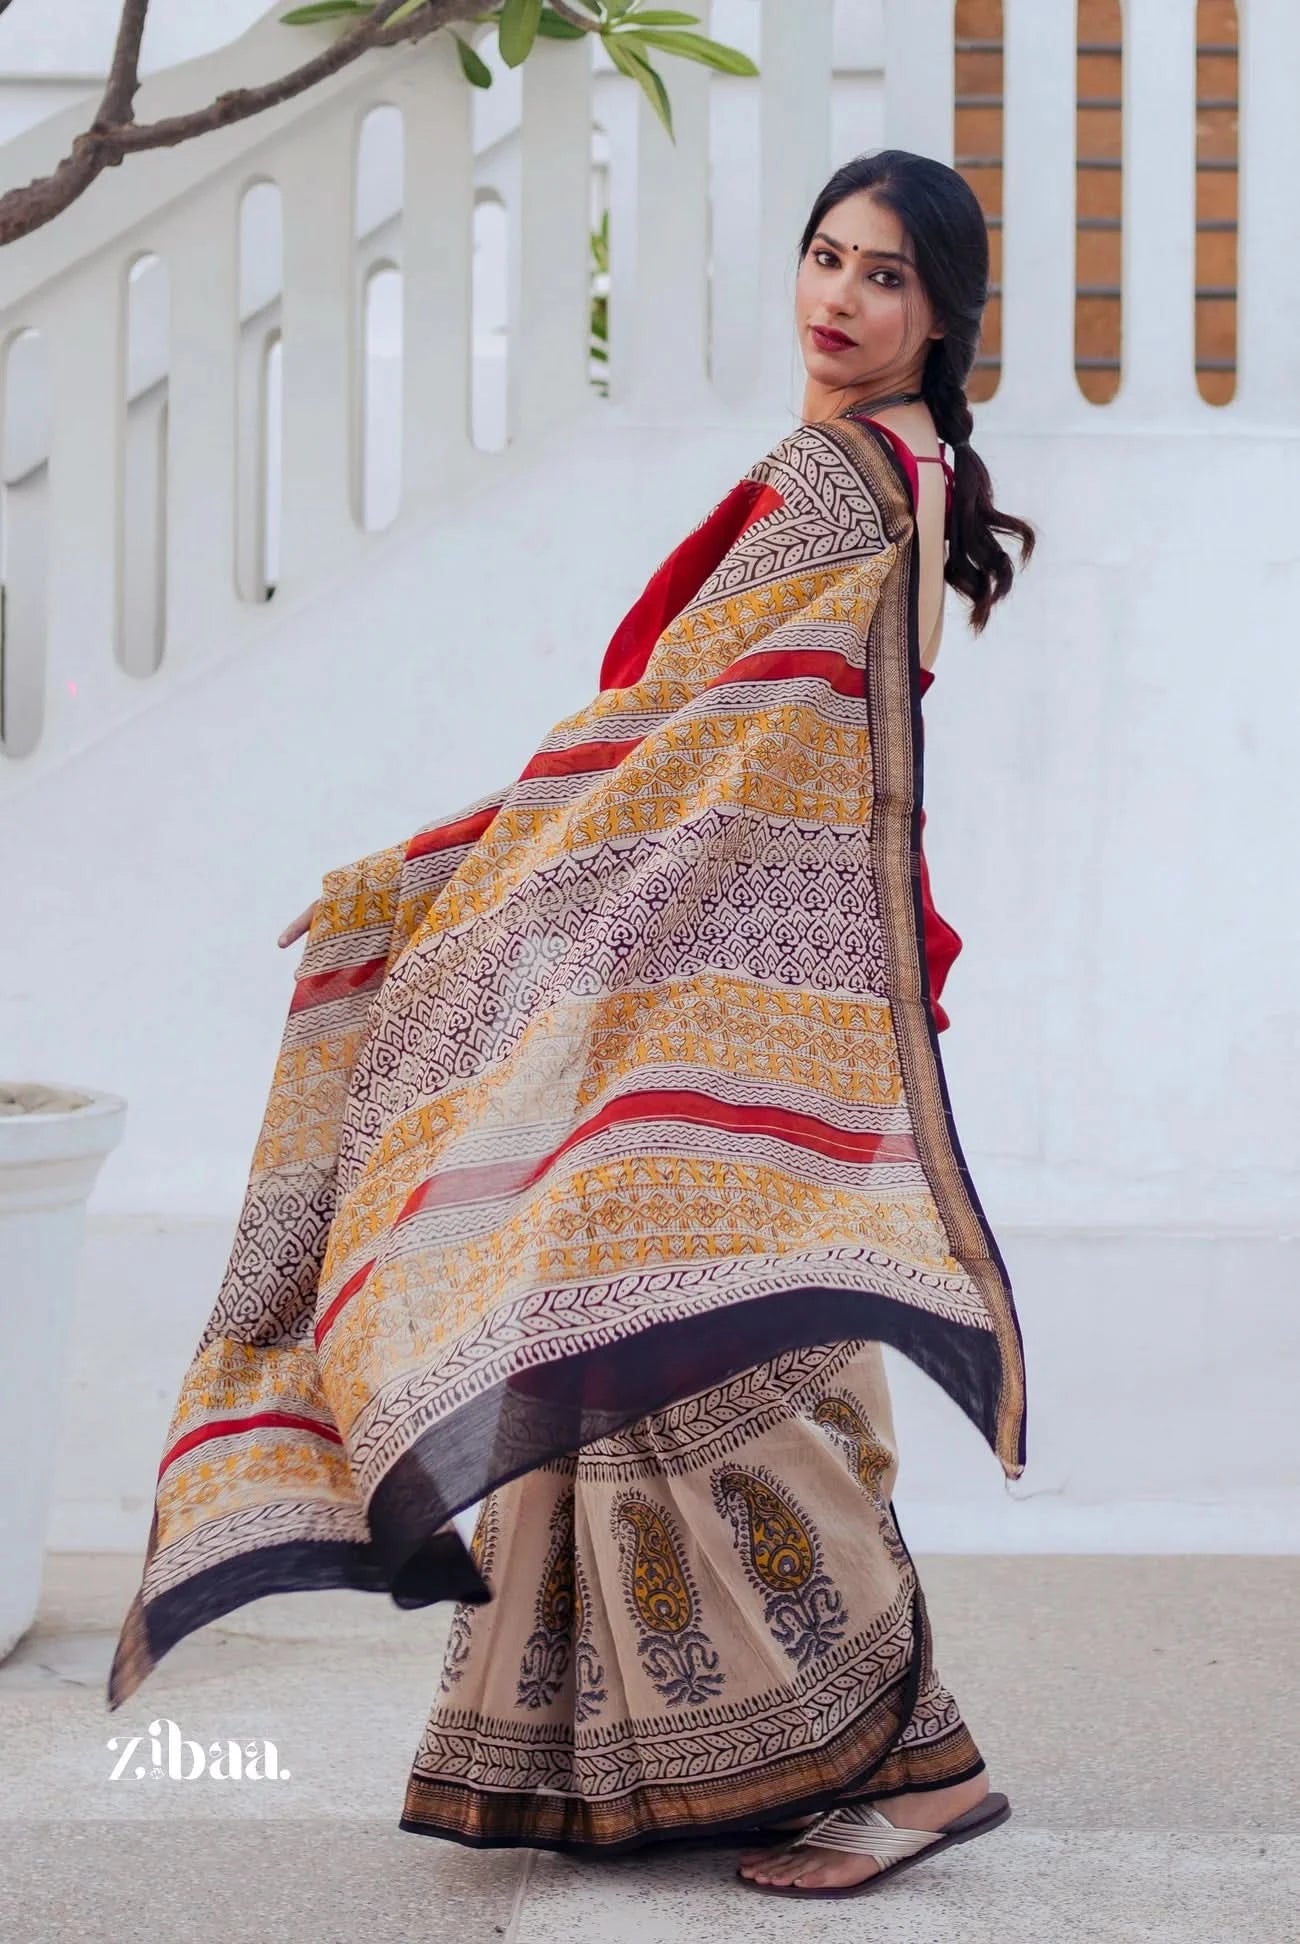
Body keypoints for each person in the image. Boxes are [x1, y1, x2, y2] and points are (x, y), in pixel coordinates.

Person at [108, 151, 1034, 1903]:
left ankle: (917, 1764)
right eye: (822, 257)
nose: (838, 299)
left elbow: (665, 748)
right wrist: (458, 859)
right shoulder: (897, 470)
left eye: (886, 277)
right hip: (766, 987)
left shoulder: (840, 480)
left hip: (723, 994)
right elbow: (667, 739)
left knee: (686, 1360)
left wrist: (429, 870)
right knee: (706, 1351)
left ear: (942, 312)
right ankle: (640, 1759)